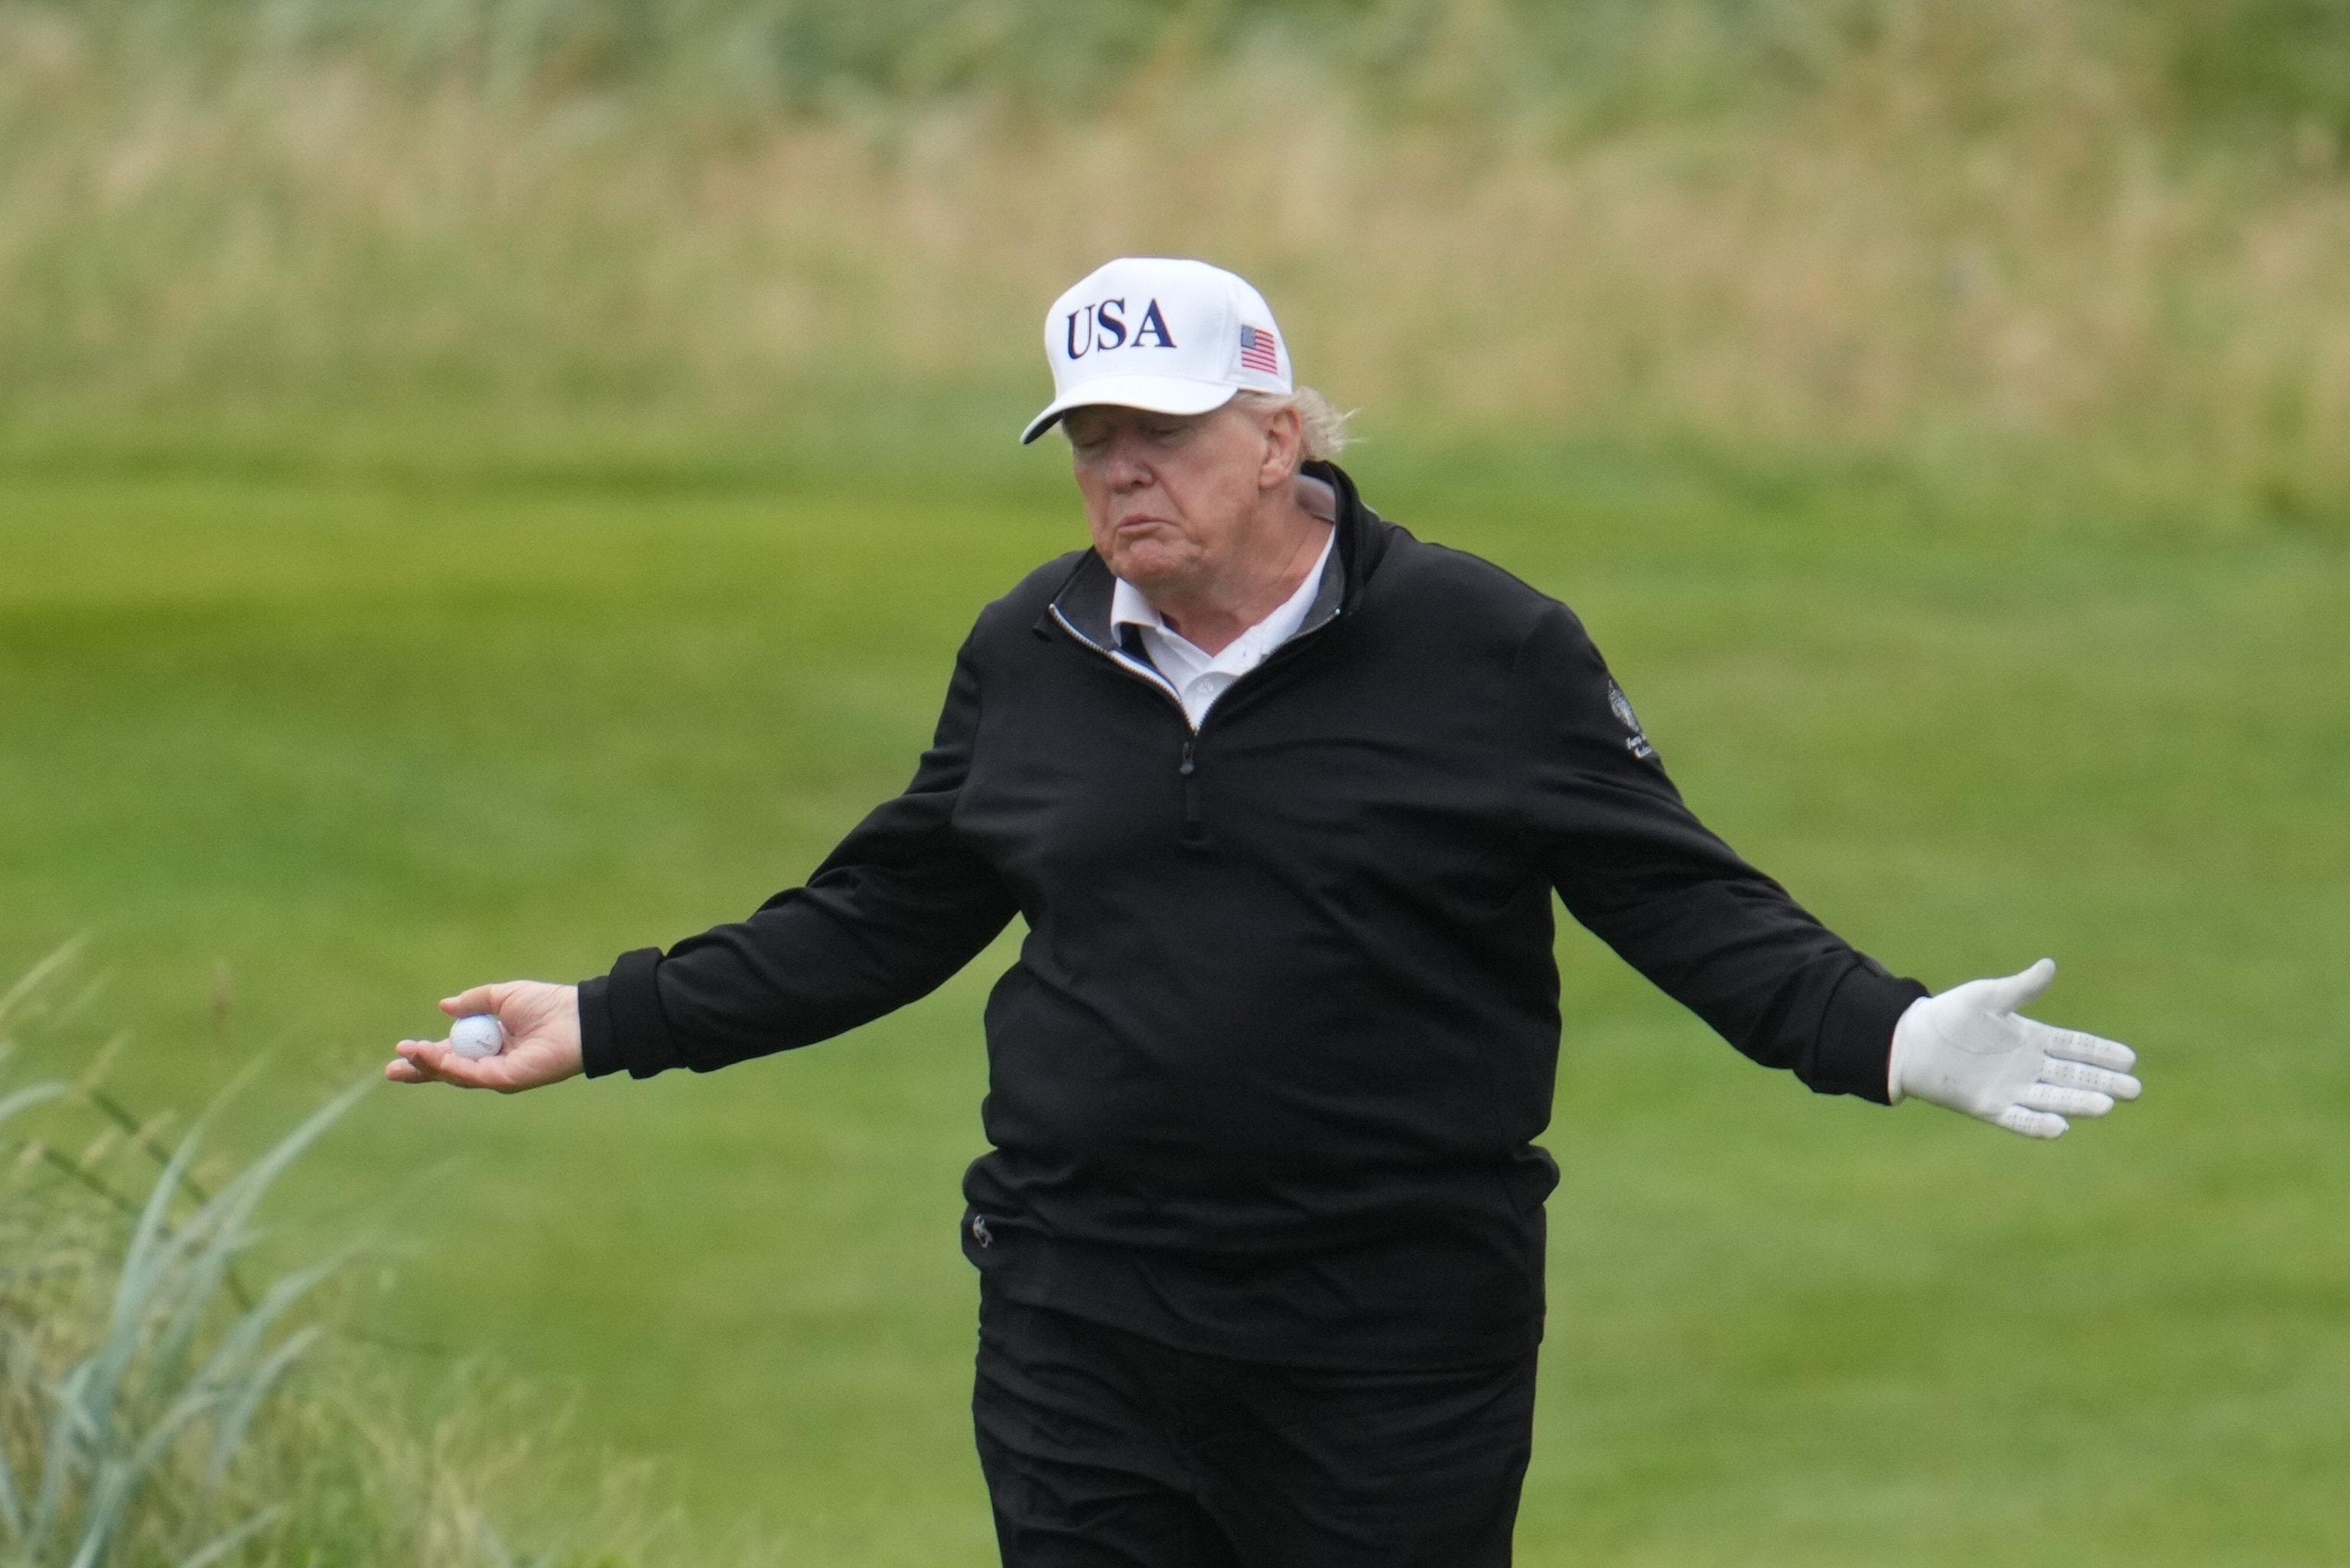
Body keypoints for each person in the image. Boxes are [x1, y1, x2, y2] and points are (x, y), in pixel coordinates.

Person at [388, 257, 2143, 1567]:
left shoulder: (1485, 648)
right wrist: (612, 1014)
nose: (1115, 474)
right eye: (1086, 440)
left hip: (1390, 1334)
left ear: (1277, 432)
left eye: (1154, 433)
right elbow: (883, 908)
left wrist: (1897, 1031)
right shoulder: (1035, 648)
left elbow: (1681, 898)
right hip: (1083, 1310)